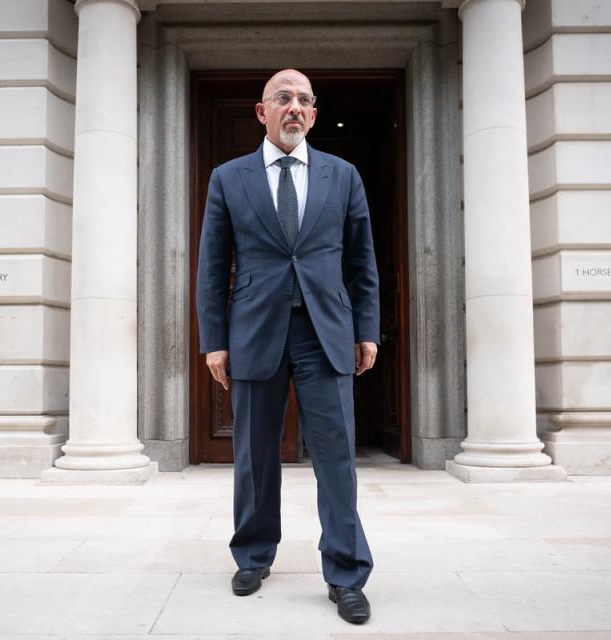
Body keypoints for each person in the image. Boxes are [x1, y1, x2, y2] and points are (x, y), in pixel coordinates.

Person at [195, 68, 380, 625]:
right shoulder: (229, 178)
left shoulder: (342, 176)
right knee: (253, 456)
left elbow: (361, 261)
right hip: (253, 329)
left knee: (336, 458)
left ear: (314, 114)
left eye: (304, 100)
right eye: (283, 98)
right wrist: (214, 341)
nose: (294, 107)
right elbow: (212, 266)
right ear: (262, 112)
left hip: (326, 331)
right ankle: (253, 555)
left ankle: (346, 573)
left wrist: (366, 328)